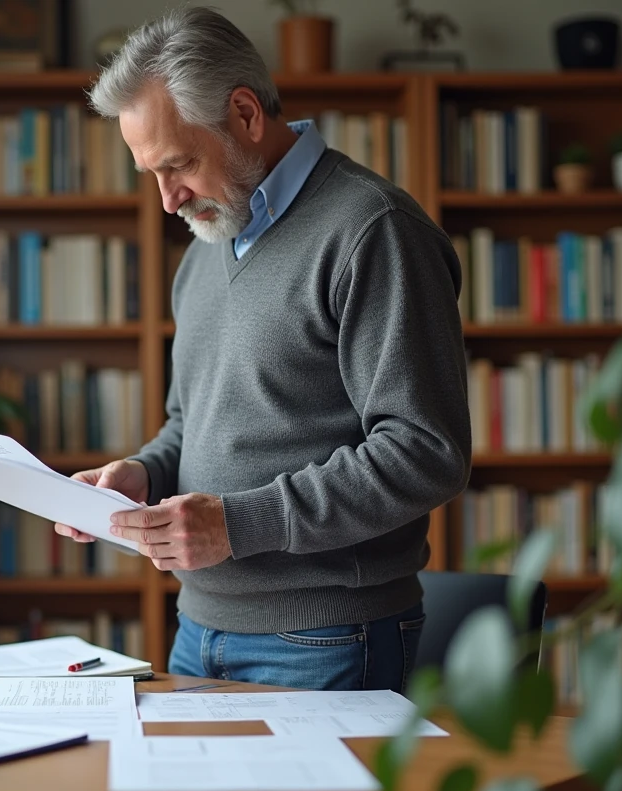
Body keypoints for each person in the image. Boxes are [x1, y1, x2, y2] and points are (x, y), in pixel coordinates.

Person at [54, 7, 471, 693]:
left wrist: (240, 523)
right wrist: (141, 474)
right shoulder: (205, 247)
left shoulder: (372, 231)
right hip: (196, 632)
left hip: (333, 639)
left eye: (179, 164)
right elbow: (194, 424)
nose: (167, 200)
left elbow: (425, 451)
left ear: (246, 114)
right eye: (150, 173)